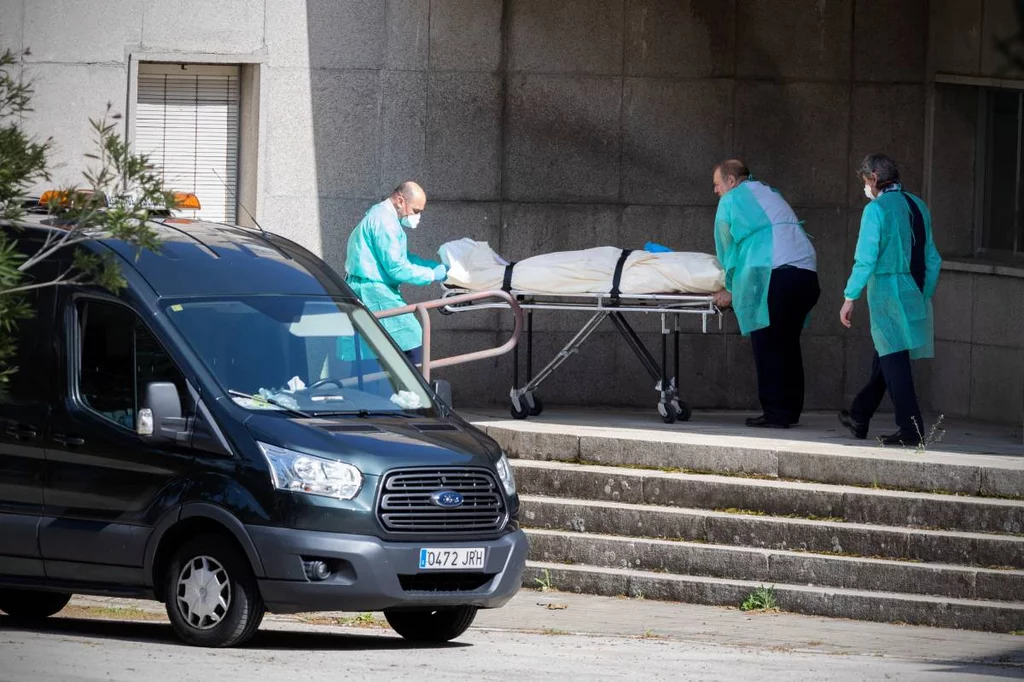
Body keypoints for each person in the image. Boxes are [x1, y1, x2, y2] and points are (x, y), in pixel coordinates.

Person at [839, 154, 942, 446]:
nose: (865, 189)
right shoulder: (917, 205)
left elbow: (865, 259)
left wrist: (850, 296)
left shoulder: (876, 210)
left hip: (886, 290)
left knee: (893, 358)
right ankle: (860, 414)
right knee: (886, 355)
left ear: (873, 178)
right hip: (915, 289)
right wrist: (923, 293)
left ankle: (912, 429)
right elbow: (933, 258)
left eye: (865, 182)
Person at [712, 159, 820, 429]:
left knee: (767, 344)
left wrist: (730, 287)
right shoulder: (770, 193)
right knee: (788, 345)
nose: (716, 191)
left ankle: (775, 413)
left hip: (777, 274)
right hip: (806, 273)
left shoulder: (731, 200)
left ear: (732, 181)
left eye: (717, 184)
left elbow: (727, 248)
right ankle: (789, 411)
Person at [341, 181, 447, 368]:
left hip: (371, 289)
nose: (417, 217)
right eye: (415, 210)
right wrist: (431, 274)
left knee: (372, 351)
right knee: (411, 338)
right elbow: (396, 267)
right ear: (400, 201)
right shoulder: (385, 222)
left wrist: (429, 265)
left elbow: (401, 257)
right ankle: (414, 391)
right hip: (373, 292)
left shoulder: (383, 216)